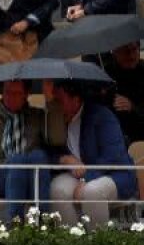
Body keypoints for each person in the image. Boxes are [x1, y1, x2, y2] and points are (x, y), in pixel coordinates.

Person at [49, 81, 136, 225]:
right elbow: (47, 152)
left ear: (75, 100)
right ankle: (72, 241)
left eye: (59, 99)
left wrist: (86, 179)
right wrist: (64, 159)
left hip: (114, 174)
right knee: (57, 189)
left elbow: (112, 157)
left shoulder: (102, 116)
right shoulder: (56, 119)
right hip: (78, 174)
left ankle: (96, 243)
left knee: (91, 192)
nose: (54, 104)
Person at [0, 80, 52, 222]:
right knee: (17, 160)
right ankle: (16, 223)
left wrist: (50, 100)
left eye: (16, 93)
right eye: (7, 92)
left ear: (26, 95)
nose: (10, 97)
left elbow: (56, 140)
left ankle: (43, 221)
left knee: (39, 155)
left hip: (32, 175)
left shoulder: (37, 116)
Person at [105, 41, 144, 143]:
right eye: (126, 51)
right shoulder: (106, 74)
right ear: (115, 52)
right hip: (115, 135)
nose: (131, 56)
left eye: (134, 50)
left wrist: (132, 107)